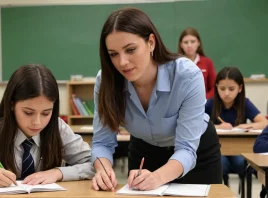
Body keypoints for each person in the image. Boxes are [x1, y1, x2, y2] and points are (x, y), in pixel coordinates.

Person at [91, 7, 222, 192]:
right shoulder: (105, 81)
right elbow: (102, 143)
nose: (122, 62)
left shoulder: (187, 75)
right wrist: (103, 171)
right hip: (144, 153)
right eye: (113, 54)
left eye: (130, 49)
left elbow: (186, 148)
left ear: (151, 43)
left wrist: (158, 177)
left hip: (196, 154)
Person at [205, 67, 267, 186]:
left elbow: (264, 122)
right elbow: (196, 122)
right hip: (217, 149)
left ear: (240, 88)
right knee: (219, 163)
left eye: (231, 89)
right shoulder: (210, 104)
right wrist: (217, 127)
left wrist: (249, 126)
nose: (226, 93)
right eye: (222, 89)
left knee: (241, 163)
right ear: (216, 87)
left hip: (239, 150)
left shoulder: (244, 103)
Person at [178, 27, 216, 99]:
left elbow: (214, 87)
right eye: (186, 42)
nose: (189, 45)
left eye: (192, 41)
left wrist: (204, 100)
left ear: (198, 43)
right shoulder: (176, 63)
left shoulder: (207, 62)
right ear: (181, 45)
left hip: (203, 105)